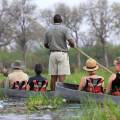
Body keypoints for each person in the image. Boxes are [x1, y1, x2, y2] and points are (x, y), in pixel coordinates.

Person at [44, 14, 75, 91]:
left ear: (53, 21)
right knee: (61, 76)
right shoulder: (65, 29)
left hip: (52, 54)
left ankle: (53, 94)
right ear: (61, 20)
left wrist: (52, 46)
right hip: (62, 54)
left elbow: (45, 44)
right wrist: (72, 45)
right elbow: (70, 40)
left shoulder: (48, 30)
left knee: (53, 77)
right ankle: (60, 94)